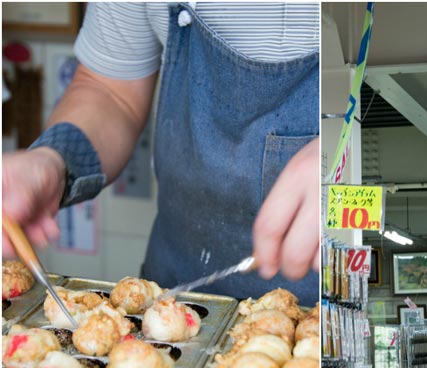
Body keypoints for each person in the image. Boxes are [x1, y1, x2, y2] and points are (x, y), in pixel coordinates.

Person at [2, 3, 319, 306]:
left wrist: (339, 152)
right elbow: (111, 91)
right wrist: (53, 158)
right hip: (173, 302)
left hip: (323, 313)